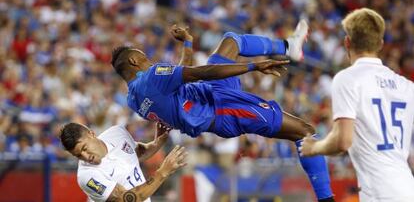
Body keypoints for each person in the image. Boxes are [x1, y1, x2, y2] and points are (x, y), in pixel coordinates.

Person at [111, 20, 335, 202]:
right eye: (144, 57)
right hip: (223, 111)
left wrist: (188, 43)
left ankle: (289, 46)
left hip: (211, 95)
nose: (149, 60)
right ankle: (327, 199)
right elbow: (204, 72)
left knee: (231, 40)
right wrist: (254, 66)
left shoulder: (133, 99)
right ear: (133, 60)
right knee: (305, 131)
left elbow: (182, 75)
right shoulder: (151, 77)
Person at [299, 8, 414, 201]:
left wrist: (314, 148)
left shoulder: (348, 79)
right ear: (381, 44)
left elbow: (343, 141)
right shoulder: (407, 86)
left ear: (347, 42)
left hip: (380, 193)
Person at [60, 122, 187, 202]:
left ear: (91, 134)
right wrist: (162, 172)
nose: (85, 157)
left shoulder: (117, 133)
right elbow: (128, 199)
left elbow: (137, 154)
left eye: (84, 148)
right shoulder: (87, 177)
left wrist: (158, 142)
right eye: (78, 156)